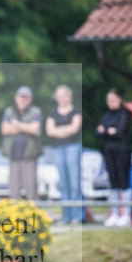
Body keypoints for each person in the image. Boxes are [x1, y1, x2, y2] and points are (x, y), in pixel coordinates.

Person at [45, 85, 84, 224]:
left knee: (74, 182)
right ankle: (66, 216)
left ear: (69, 96)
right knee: (63, 183)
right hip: (58, 149)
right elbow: (49, 131)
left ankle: (77, 216)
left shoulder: (76, 111)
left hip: (73, 147)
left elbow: (75, 129)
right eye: (59, 96)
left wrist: (58, 130)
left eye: (64, 95)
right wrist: (65, 130)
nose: (62, 98)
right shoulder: (52, 113)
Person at [96, 88, 132, 227]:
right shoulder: (107, 115)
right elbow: (98, 132)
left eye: (112, 100)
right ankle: (115, 214)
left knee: (124, 182)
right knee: (113, 183)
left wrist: (107, 131)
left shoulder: (125, 113)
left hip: (122, 151)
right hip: (109, 151)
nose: (110, 103)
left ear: (119, 99)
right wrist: (109, 131)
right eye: (108, 100)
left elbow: (120, 131)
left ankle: (126, 215)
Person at [0, 85, 42, 201]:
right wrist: (25, 127)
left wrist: (16, 124)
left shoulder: (35, 111)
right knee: (13, 189)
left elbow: (34, 129)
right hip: (13, 156)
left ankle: (33, 214)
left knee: (31, 188)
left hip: (29, 156)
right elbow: (4, 130)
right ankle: (15, 216)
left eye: (26, 97)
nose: (23, 99)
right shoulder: (9, 111)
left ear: (30, 100)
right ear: (16, 98)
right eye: (21, 97)